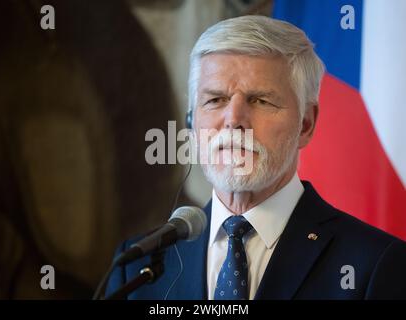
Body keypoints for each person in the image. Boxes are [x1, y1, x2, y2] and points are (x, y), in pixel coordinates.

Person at [106, 15, 406, 299]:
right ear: (191, 123)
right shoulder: (136, 266)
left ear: (305, 124)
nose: (233, 119)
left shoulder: (375, 265)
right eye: (215, 100)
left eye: (261, 100)